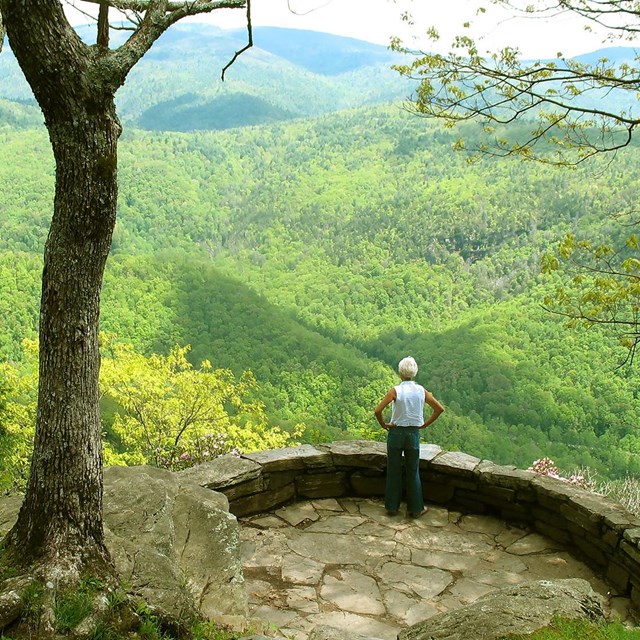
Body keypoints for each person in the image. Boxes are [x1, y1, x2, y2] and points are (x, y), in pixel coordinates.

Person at [374, 356, 444, 518]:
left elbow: (377, 411)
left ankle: (392, 506)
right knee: (413, 471)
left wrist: (384, 425)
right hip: (413, 434)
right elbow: (439, 409)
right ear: (415, 372)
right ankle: (416, 508)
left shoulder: (395, 391)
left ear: (400, 373)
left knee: (394, 470)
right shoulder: (421, 391)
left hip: (396, 433)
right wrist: (424, 424)